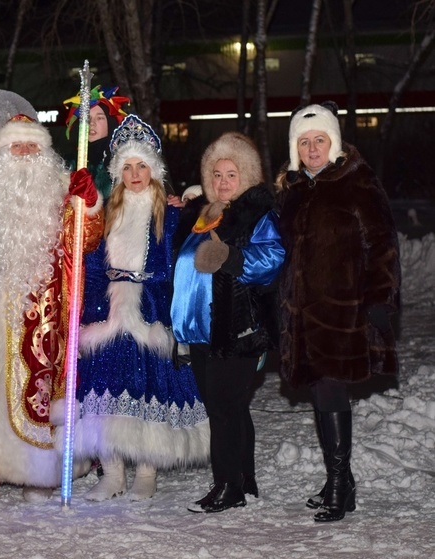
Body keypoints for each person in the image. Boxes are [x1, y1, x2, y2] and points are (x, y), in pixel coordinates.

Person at [0, 114, 104, 503]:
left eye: (34, 145)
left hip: (47, 322)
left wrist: (92, 204)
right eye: (17, 145)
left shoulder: (64, 209)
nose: (26, 152)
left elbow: (88, 240)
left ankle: (40, 472)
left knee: (41, 394)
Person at [275, 102, 400, 522]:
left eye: (319, 140)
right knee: (319, 392)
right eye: (304, 142)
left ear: (334, 143)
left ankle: (341, 483)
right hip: (301, 314)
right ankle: (337, 481)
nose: (312, 148)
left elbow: (381, 244)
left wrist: (381, 300)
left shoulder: (355, 181)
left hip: (342, 309)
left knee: (330, 390)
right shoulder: (292, 191)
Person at [74, 115, 210, 502]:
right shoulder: (106, 215)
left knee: (150, 390)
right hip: (108, 314)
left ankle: (147, 473)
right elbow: (92, 264)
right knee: (104, 392)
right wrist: (91, 310)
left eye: (142, 166)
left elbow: (182, 259)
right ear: (118, 172)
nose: (135, 174)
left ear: (155, 169)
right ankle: (112, 473)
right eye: (127, 167)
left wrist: (192, 203)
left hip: (151, 312)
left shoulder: (168, 214)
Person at [171, 132, 285, 513]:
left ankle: (227, 487)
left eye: (231, 174)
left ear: (247, 176)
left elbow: (271, 262)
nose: (222, 182)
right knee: (231, 408)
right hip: (200, 331)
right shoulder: (204, 215)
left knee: (222, 409)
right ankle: (244, 478)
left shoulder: (256, 214)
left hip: (236, 328)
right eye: (216, 174)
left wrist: (230, 257)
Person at [63, 85, 130, 200]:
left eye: (99, 118)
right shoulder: (69, 165)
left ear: (110, 122)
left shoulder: (126, 161)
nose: (92, 123)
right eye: (87, 119)